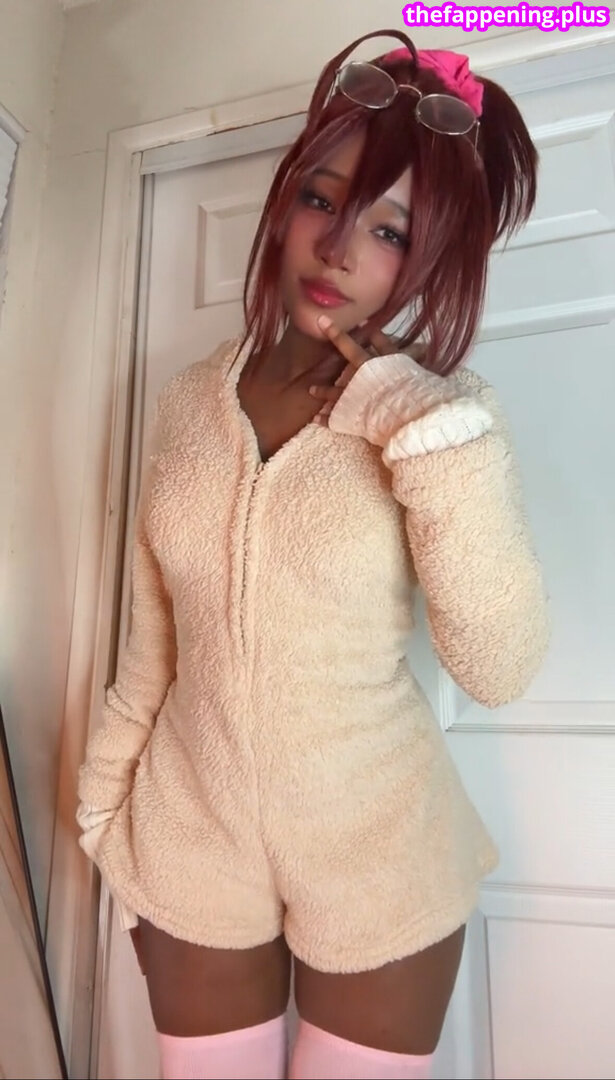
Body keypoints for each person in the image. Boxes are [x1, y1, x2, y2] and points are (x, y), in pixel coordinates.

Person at [77, 28, 550, 1080]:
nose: (339, 249)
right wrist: (106, 809)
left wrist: (418, 429)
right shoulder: (186, 404)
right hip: (190, 838)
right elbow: (154, 650)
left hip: (378, 849)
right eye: (321, 200)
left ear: (427, 258)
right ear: (284, 202)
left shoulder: (445, 418)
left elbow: (500, 664)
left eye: (388, 229)